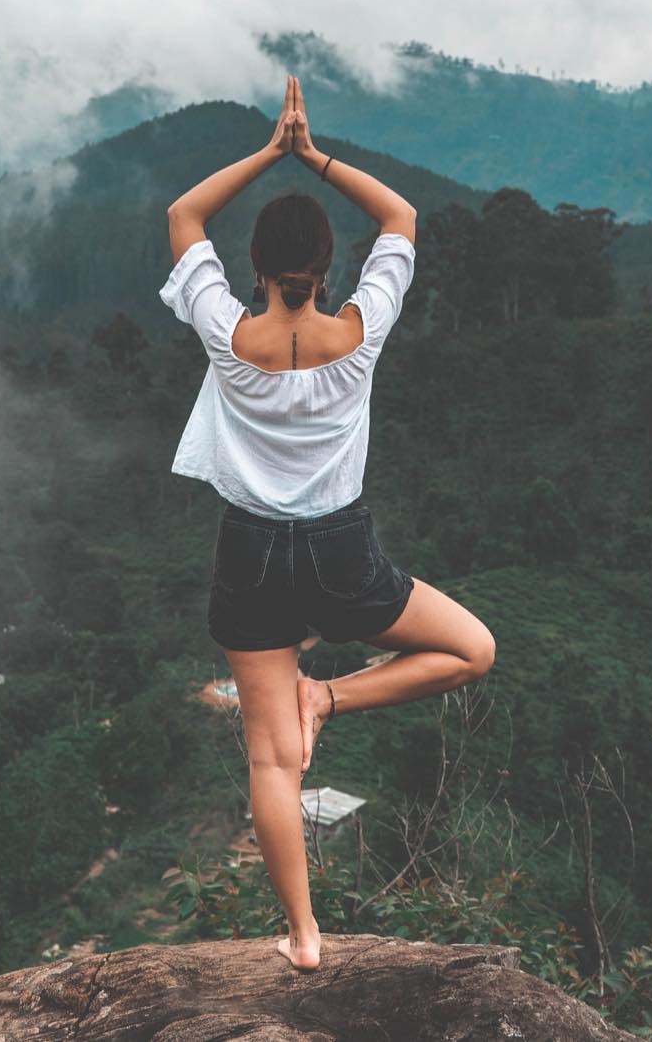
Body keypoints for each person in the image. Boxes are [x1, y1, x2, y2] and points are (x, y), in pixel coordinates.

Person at [158, 75, 496, 972]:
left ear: (257, 267)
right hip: (342, 553)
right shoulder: (361, 329)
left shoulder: (227, 334)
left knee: (273, 764)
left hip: (250, 555)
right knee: (473, 650)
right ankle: (333, 697)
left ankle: (305, 936)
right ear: (326, 266)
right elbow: (402, 217)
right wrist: (314, 156)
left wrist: (268, 151)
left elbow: (184, 216)